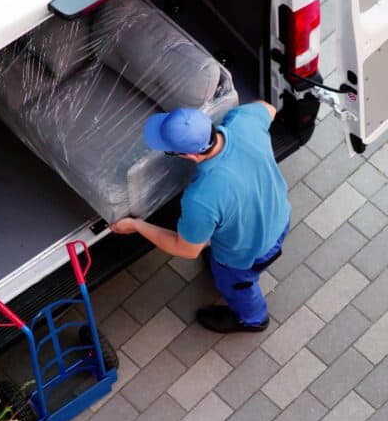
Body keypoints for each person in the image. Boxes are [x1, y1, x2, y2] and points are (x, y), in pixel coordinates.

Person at [110, 103, 290, 333]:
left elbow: (186, 249)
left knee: (237, 286)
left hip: (245, 254)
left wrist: (136, 225)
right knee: (219, 260)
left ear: (190, 155)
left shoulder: (201, 199)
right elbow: (269, 108)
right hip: (279, 216)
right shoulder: (244, 122)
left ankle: (252, 319)